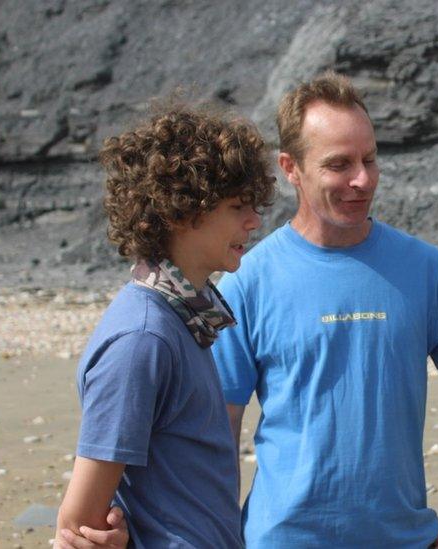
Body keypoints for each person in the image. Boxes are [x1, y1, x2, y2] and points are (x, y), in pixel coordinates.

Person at [212, 72, 438, 547]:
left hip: (405, 538)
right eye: (339, 164)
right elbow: (220, 428)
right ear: (290, 167)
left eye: (369, 159)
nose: (361, 180)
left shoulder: (425, 268)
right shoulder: (247, 281)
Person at [56, 105, 276, 548]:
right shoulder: (143, 339)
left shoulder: (185, 318)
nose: (254, 221)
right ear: (178, 212)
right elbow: (77, 528)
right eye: (236, 206)